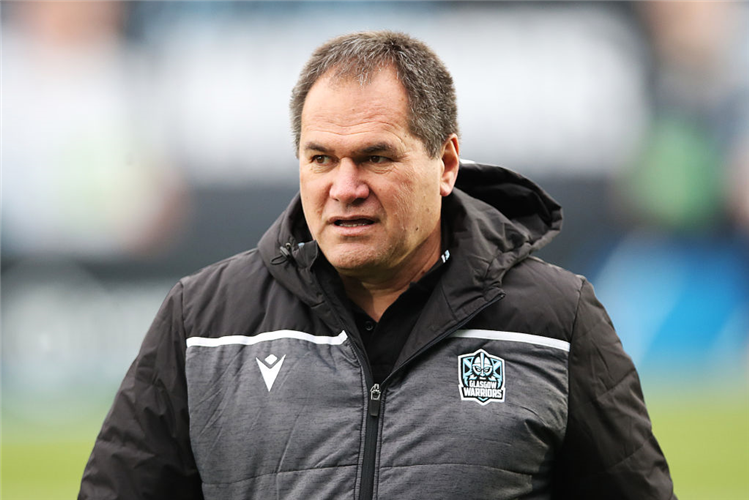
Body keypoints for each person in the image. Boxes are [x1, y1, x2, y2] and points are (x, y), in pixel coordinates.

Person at [79, 31, 676, 499]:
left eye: (375, 157)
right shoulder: (203, 321)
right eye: (320, 158)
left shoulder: (555, 320)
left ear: (445, 164)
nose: (344, 187)